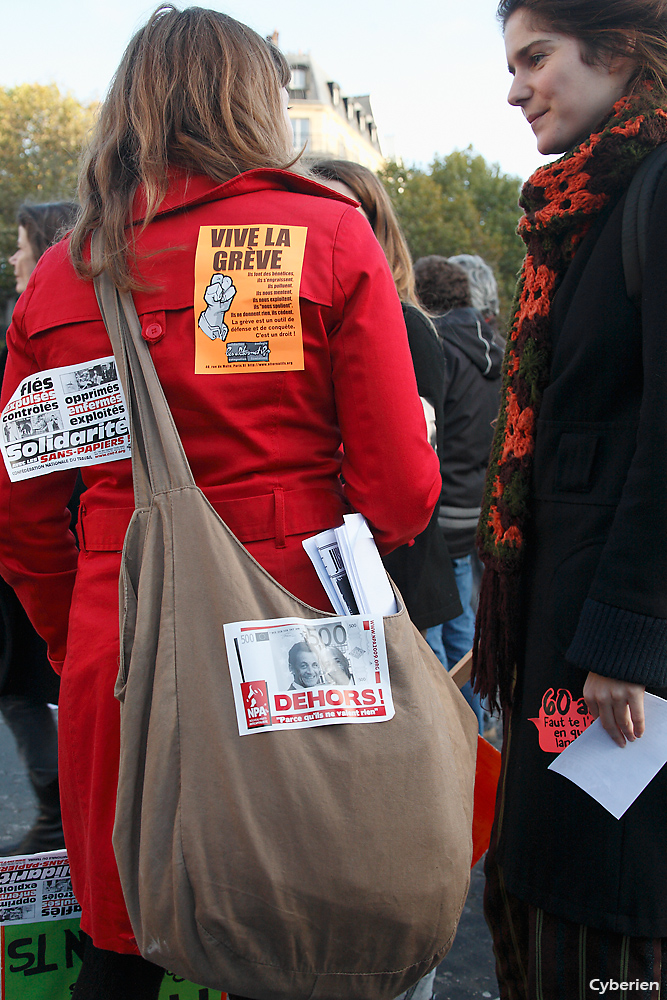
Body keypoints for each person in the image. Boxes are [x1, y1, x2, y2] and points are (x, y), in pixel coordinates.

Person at [0, 7, 440, 998]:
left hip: (122, 626)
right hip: (294, 624)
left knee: (123, 934)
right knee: (288, 920)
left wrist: (78, 637)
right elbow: (399, 494)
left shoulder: (63, 275)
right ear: (255, 102)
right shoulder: (326, 230)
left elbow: (24, 516)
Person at [473, 1, 667, 995]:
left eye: (535, 57)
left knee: (597, 930)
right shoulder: (589, 204)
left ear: (620, 46)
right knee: (547, 903)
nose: (514, 88)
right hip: (572, 644)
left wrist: (628, 640)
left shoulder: (652, 190)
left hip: (613, 667)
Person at [311, 159, 462, 639]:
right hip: (336, 574)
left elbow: (410, 463)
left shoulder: (405, 324)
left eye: (348, 214)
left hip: (399, 575)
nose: (329, 227)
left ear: (378, 232)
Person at [0, 201, 79, 857]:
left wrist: (60, 619)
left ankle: (60, 818)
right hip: (62, 559)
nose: (14, 258)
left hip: (55, 561)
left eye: (21, 245)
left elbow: (22, 502)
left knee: (32, 693)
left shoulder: (39, 325)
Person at [413, 256, 503, 734]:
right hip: (479, 501)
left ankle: (461, 726)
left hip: (444, 503)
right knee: (463, 613)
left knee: (440, 619)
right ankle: (480, 719)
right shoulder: (496, 347)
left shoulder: (438, 347)